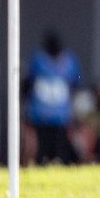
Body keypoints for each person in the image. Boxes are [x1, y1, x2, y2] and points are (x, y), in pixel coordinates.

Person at [25, 30, 81, 165]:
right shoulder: (41, 59)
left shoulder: (40, 59)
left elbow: (27, 84)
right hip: (46, 117)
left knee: (57, 151)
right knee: (45, 151)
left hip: (52, 116)